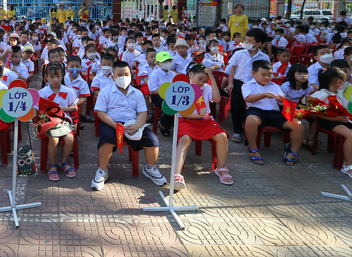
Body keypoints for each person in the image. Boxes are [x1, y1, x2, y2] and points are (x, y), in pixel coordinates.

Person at [91, 61, 166, 190]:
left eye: (126, 74)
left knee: (152, 140)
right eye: (119, 75)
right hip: (112, 123)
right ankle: (102, 170)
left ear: (131, 75)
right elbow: (100, 112)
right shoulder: (105, 92)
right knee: (107, 140)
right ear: (113, 77)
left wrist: (137, 125)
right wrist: (115, 125)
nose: (123, 78)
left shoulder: (137, 93)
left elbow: (143, 112)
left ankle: (150, 168)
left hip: (133, 123)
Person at [173, 64, 231, 189]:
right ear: (190, 75)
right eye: (199, 78)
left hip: (205, 121)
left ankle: (221, 168)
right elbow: (182, 112)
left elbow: (216, 99)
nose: (201, 83)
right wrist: (197, 115)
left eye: (204, 80)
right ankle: (177, 174)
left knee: (222, 136)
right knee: (184, 139)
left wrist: (212, 78)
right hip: (186, 120)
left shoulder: (207, 87)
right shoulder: (182, 88)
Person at [243, 60, 304, 166]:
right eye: (263, 75)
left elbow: (282, 98)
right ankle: (253, 149)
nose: (267, 77)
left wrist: (281, 99)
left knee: (298, 125)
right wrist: (264, 95)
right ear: (254, 73)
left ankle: (292, 152)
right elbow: (248, 98)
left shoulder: (275, 86)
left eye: (269, 74)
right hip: (256, 111)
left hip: (274, 113)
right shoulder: (248, 85)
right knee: (250, 120)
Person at [227, 28, 270, 143]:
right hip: (238, 83)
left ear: (258, 44)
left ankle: (248, 130)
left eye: (250, 41)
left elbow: (266, 73)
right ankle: (237, 131)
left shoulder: (264, 57)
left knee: (252, 108)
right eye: (245, 40)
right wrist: (230, 83)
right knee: (236, 107)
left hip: (254, 85)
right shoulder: (239, 53)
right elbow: (233, 68)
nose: (246, 43)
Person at [39, 62, 78, 181]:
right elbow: (39, 112)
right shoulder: (42, 93)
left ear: (62, 76)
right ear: (46, 78)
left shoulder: (68, 91)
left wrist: (59, 109)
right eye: (51, 77)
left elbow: (74, 108)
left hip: (64, 121)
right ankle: (52, 163)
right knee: (54, 138)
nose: (55, 79)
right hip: (49, 122)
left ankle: (64, 161)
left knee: (69, 138)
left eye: (58, 76)